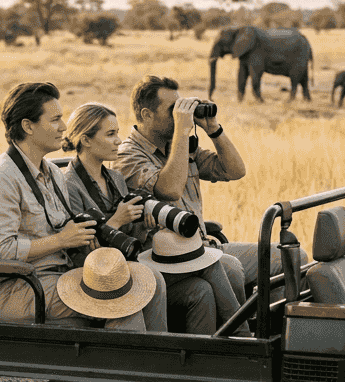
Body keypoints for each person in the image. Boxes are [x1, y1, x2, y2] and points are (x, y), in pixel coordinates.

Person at [0, 82, 166, 330]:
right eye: (55, 119)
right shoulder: (1, 177)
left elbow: (66, 229)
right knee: (122, 298)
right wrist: (62, 240)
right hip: (18, 288)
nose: (64, 127)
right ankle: (132, 366)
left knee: (151, 282)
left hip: (60, 275)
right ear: (28, 126)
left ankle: (156, 362)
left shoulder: (52, 172)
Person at [61, 102, 241, 335]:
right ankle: (241, 335)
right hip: (108, 275)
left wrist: (144, 226)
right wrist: (116, 220)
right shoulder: (69, 185)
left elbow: (129, 238)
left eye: (117, 133)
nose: (119, 140)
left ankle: (199, 358)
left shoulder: (114, 177)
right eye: (110, 134)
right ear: (86, 140)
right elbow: (82, 250)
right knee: (212, 263)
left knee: (201, 289)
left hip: (133, 261)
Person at [114, 75, 282, 295]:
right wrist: (182, 132)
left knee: (288, 257)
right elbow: (170, 190)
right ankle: (240, 329)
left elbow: (235, 171)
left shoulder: (179, 146)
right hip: (170, 257)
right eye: (173, 110)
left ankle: (272, 326)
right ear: (147, 115)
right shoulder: (129, 155)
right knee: (231, 268)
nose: (180, 116)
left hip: (205, 247)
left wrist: (213, 129)